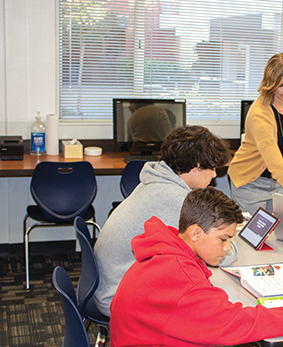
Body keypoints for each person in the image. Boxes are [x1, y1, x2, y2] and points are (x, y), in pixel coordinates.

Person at [110, 187, 283, 347]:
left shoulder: (171, 249)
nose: (228, 247)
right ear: (196, 232)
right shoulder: (181, 277)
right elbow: (239, 323)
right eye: (223, 239)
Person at [93, 125, 232, 318]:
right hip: (118, 296)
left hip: (112, 281)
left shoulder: (155, 180)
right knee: (212, 307)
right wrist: (230, 246)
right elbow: (211, 255)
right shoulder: (175, 199)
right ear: (196, 166)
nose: (215, 175)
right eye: (212, 167)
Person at [228, 52, 283, 215]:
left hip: (280, 182)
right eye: (281, 85)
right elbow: (275, 163)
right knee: (252, 237)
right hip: (251, 183)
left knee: (281, 234)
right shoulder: (260, 112)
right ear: (270, 83)